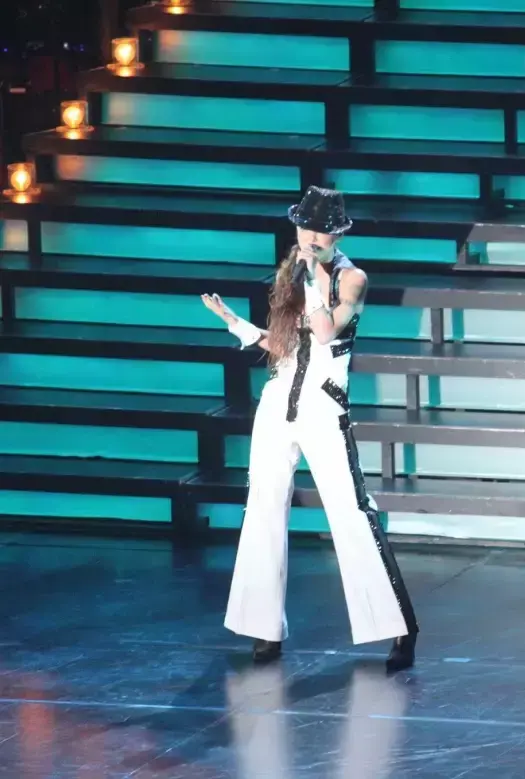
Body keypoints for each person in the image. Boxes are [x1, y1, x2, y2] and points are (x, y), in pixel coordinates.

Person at [201, 186, 418, 672]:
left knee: (351, 511)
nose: (311, 238)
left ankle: (398, 627)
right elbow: (284, 347)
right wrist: (235, 322)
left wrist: (312, 280)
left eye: (321, 231)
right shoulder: (290, 274)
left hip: (324, 406)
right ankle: (263, 628)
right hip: (278, 403)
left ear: (337, 236)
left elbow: (324, 332)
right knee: (263, 507)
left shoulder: (351, 279)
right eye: (305, 229)